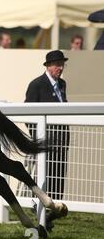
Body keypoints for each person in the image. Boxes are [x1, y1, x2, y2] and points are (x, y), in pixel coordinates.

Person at [25, 50, 70, 203]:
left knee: (59, 174)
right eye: (58, 65)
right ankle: (38, 205)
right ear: (49, 66)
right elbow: (27, 113)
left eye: (62, 64)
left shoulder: (62, 84)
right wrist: (39, 136)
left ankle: (55, 207)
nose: (61, 68)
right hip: (45, 140)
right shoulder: (37, 84)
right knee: (44, 174)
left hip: (61, 139)